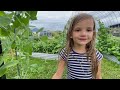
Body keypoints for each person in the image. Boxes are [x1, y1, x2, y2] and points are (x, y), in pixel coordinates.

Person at [52, 13, 103, 79]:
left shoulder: (95, 54)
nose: (83, 34)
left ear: (93, 34)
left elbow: (98, 76)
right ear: (70, 34)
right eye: (78, 30)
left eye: (88, 30)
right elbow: (58, 75)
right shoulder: (66, 52)